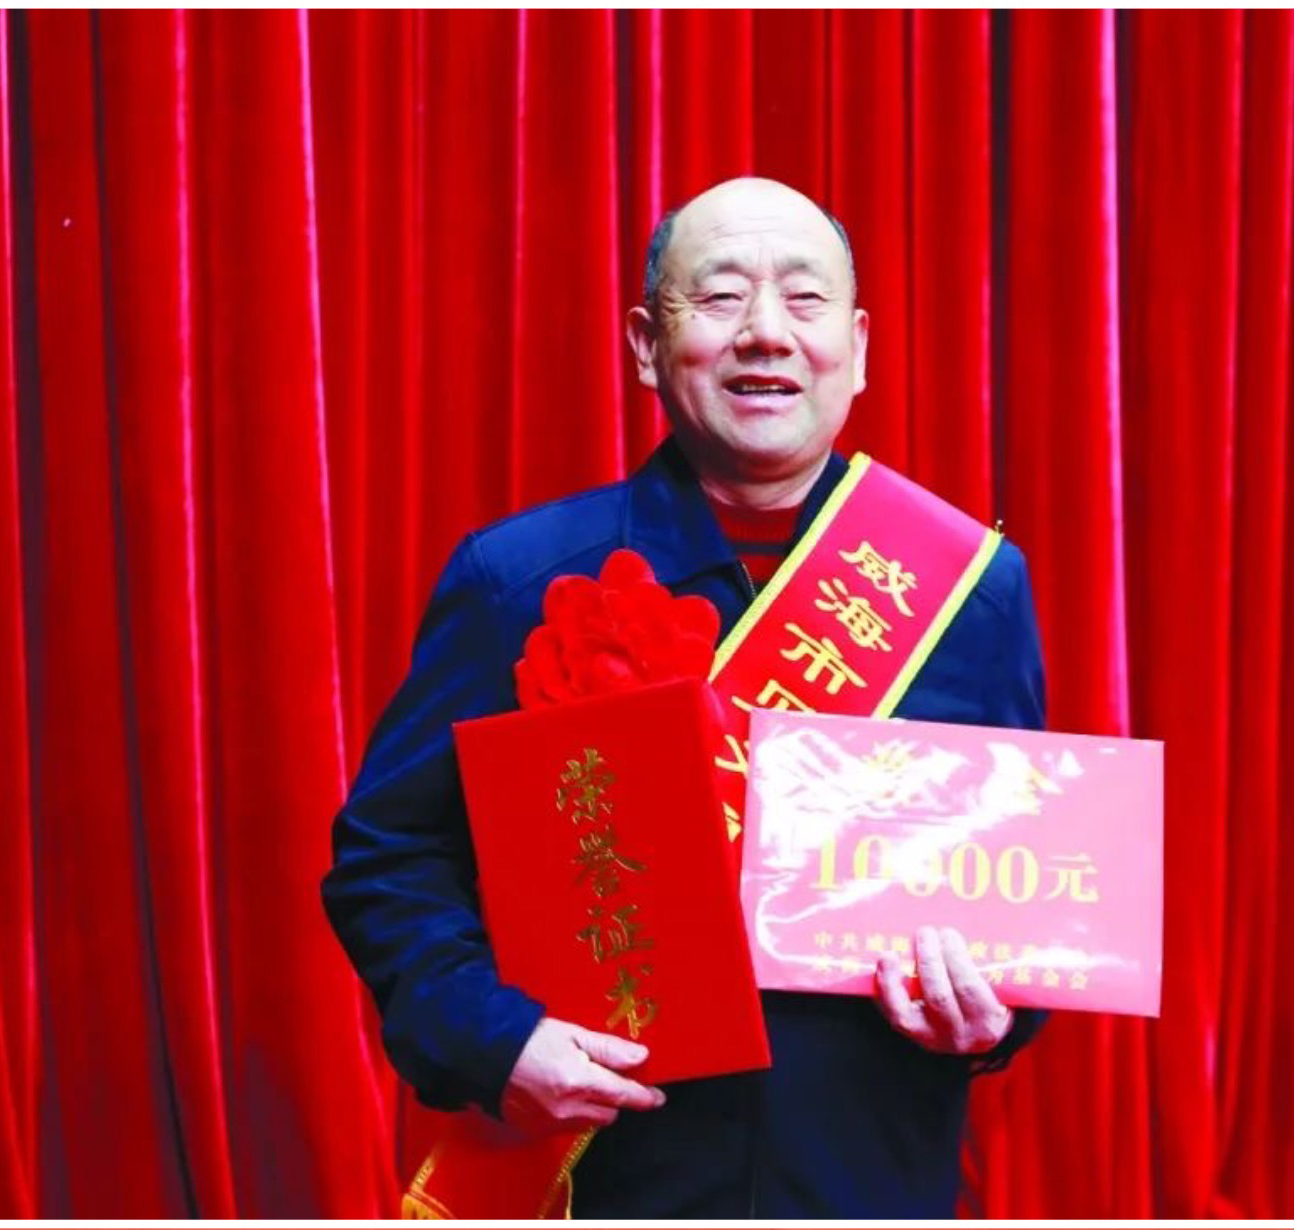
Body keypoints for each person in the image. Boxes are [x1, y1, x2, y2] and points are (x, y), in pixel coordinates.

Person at [322, 176, 1049, 1218]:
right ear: (645, 345)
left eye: (804, 299)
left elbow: (1017, 885)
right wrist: (496, 1040)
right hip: (611, 1177)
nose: (766, 332)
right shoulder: (518, 580)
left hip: (869, 1175)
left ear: (857, 350)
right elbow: (390, 858)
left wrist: (994, 1011)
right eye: (718, 297)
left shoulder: (971, 591)